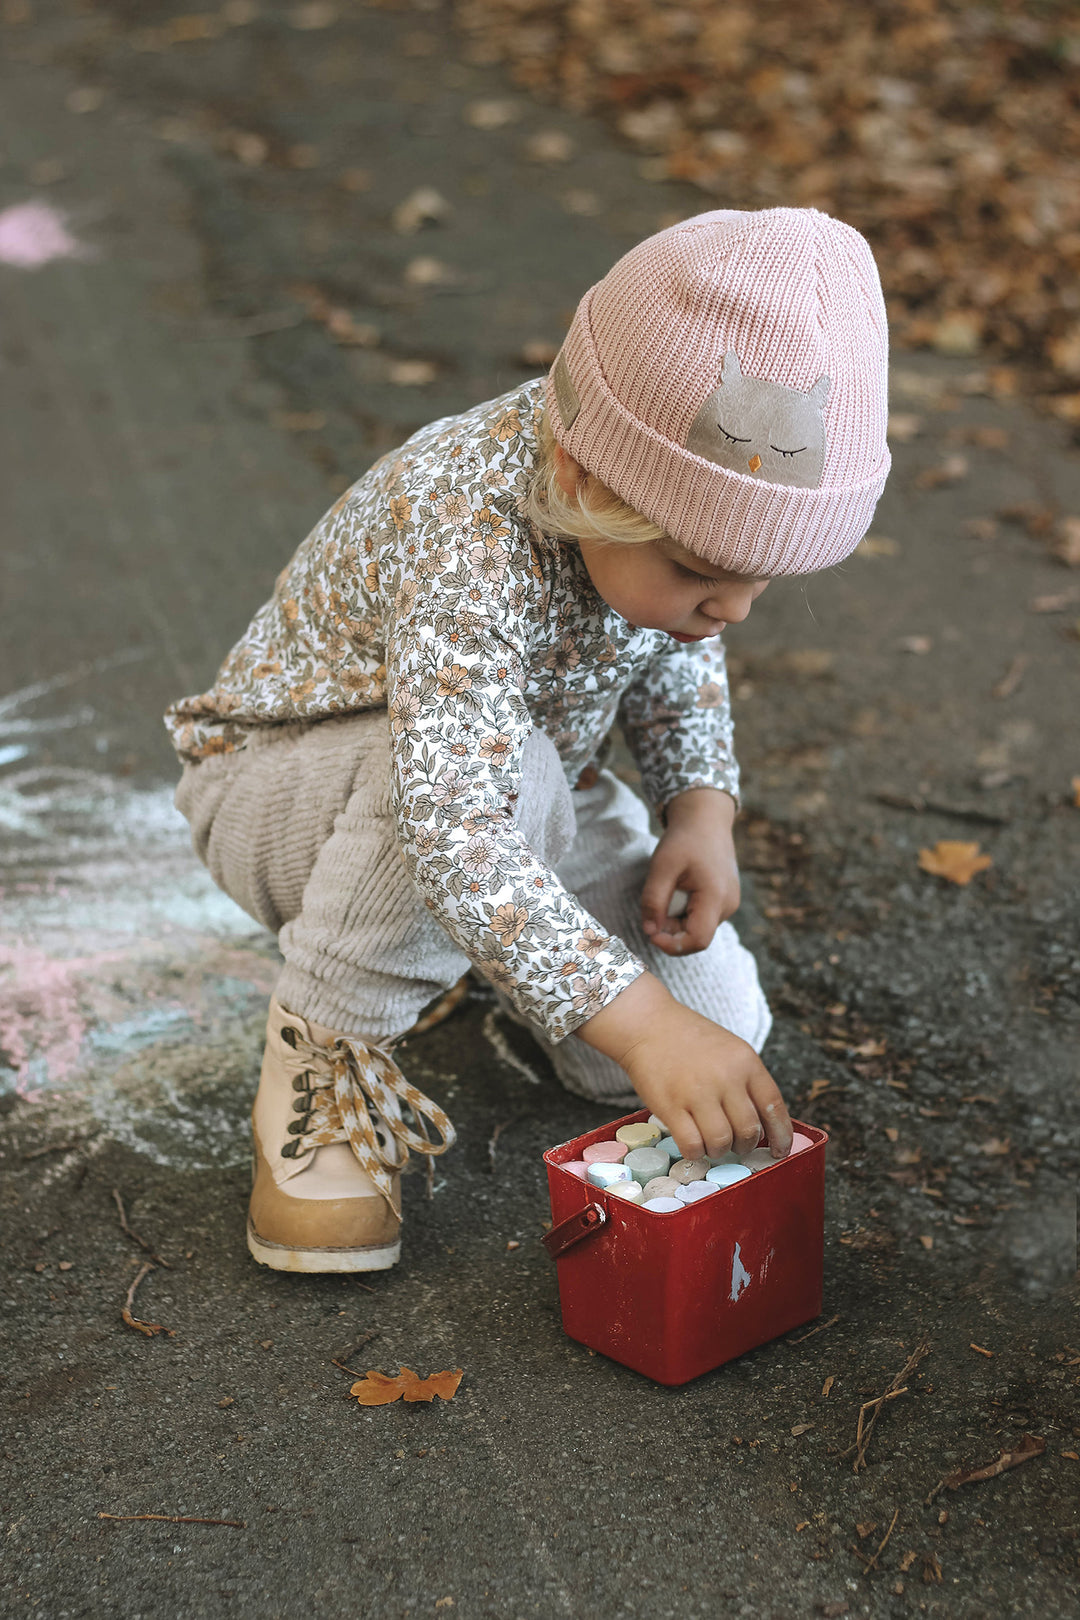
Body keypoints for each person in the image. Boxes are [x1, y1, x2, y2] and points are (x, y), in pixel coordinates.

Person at [165, 207, 890, 1273]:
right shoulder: (465, 522)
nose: (732, 607)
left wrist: (700, 806)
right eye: (701, 570)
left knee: (710, 1025)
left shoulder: (653, 535)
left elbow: (675, 641)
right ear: (587, 478)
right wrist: (640, 1025)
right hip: (284, 794)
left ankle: (483, 951)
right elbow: (452, 817)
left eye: (757, 579)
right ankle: (327, 1043)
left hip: (520, 786)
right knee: (582, 920)